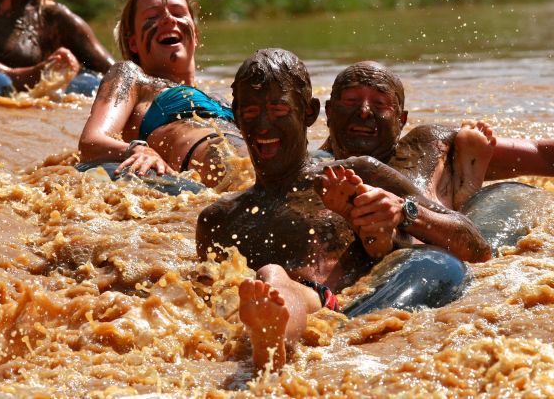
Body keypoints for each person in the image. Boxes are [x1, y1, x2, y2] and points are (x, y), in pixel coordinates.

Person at [196, 49, 491, 373]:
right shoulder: (219, 220)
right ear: (236, 116)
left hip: (359, 305)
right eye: (251, 111)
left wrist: (404, 212)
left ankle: (274, 344)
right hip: (298, 310)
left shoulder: (360, 174)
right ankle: (272, 343)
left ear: (309, 113)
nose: (264, 125)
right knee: (272, 278)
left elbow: (477, 247)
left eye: (279, 110)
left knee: (273, 277)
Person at [320, 61, 554, 212]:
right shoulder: (308, 168)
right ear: (329, 111)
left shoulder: (432, 152)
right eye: (351, 101)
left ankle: (464, 195)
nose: (363, 112)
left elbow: (543, 156)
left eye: (379, 104)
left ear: (401, 120)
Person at [77, 0, 249, 188]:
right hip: (225, 169)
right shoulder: (132, 78)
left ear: (195, 35)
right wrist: (137, 149)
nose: (168, 19)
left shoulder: (219, 99)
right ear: (133, 43)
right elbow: (91, 142)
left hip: (257, 163)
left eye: (178, 13)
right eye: (152, 16)